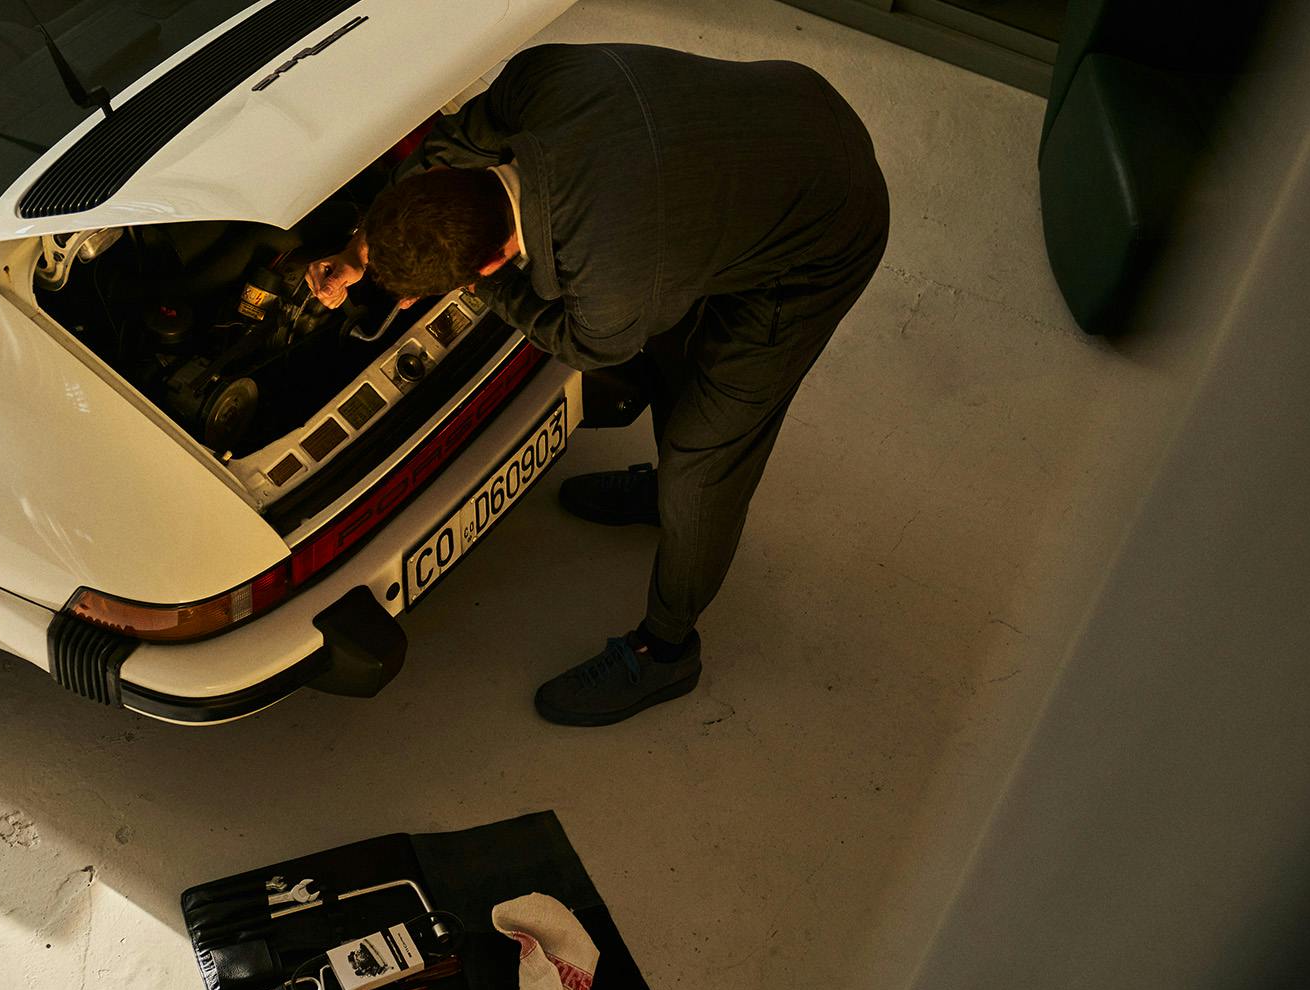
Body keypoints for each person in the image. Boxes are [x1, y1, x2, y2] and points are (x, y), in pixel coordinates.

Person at [308, 43, 890, 726]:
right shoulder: (536, 82)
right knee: (679, 351)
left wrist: (490, 290)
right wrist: (360, 252)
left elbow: (589, 342)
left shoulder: (611, 274)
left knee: (705, 459)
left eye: (481, 274)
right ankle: (658, 494)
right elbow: (449, 144)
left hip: (823, 228)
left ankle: (665, 651)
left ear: (490, 261)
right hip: (783, 111)